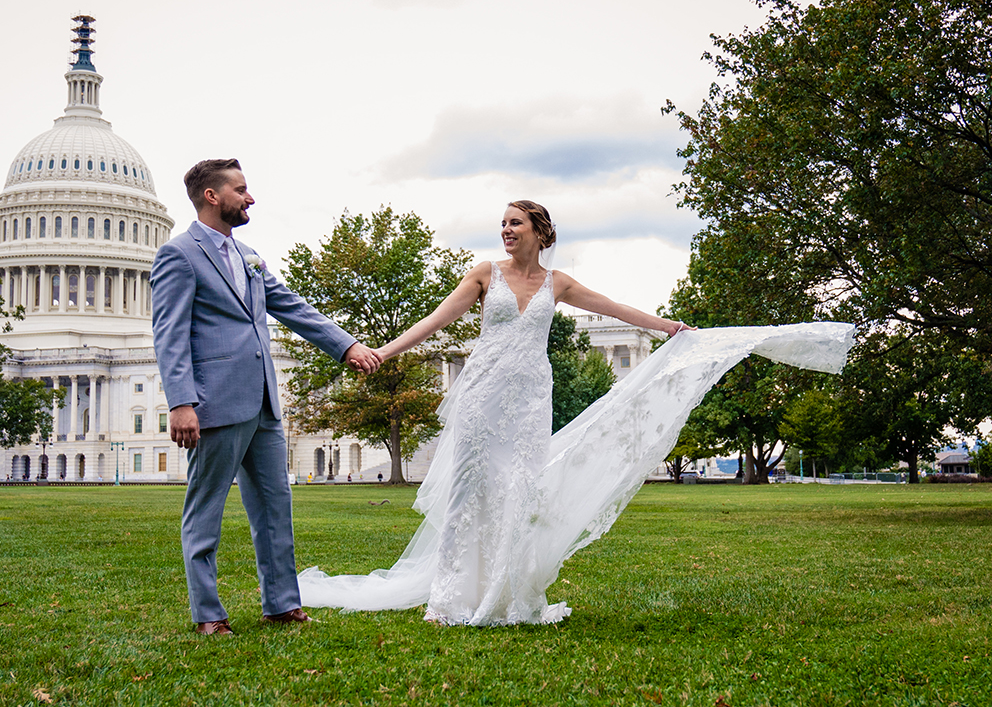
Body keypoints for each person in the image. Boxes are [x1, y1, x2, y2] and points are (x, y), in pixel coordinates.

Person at [298, 200, 855, 625]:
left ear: (541, 233)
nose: (507, 231)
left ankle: (511, 596)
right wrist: (380, 352)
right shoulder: (483, 274)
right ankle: (449, 598)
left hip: (528, 399)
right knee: (472, 490)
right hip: (483, 396)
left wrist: (668, 328)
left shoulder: (556, 283)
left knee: (518, 490)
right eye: (504, 224)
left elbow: (612, 307)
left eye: (516, 223)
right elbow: (434, 323)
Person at [152, 158, 381, 636]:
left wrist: (348, 345)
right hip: (213, 403)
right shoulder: (179, 255)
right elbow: (169, 334)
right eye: (241, 189)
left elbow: (294, 308)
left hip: (264, 406)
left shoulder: (250, 256)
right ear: (212, 196)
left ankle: (281, 604)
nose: (250, 197)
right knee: (205, 512)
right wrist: (181, 402)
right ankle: (208, 614)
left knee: (276, 508)